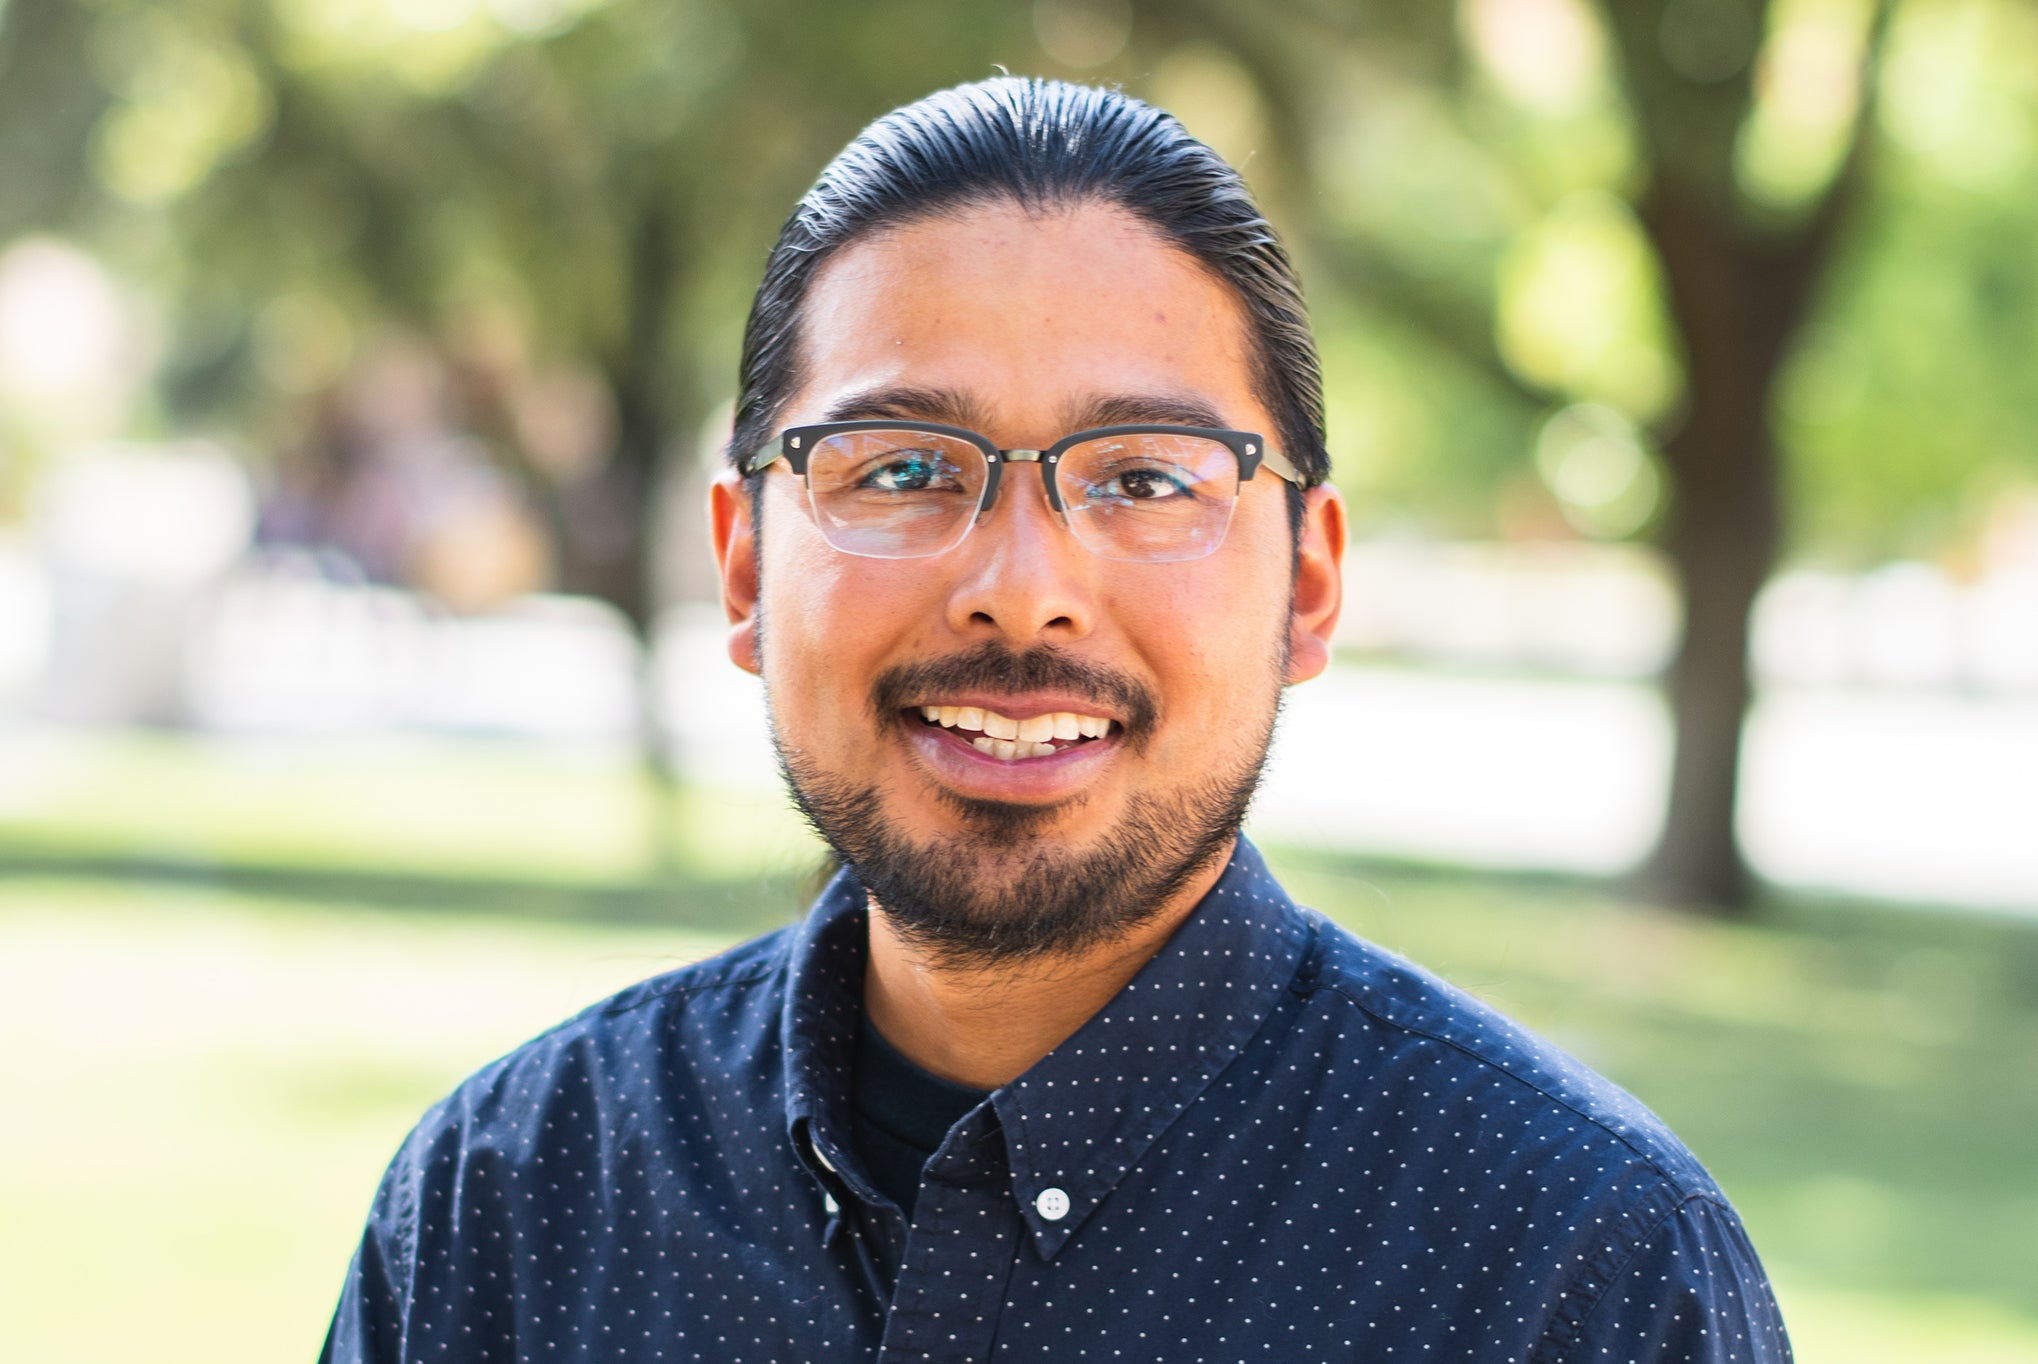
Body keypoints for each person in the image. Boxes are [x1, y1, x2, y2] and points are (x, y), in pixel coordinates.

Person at [322, 77, 1791, 1363]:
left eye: (1145, 479)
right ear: (747, 564)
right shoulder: (508, 1205)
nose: (1022, 596)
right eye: (898, 470)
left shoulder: (1575, 1271)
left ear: (1309, 583)